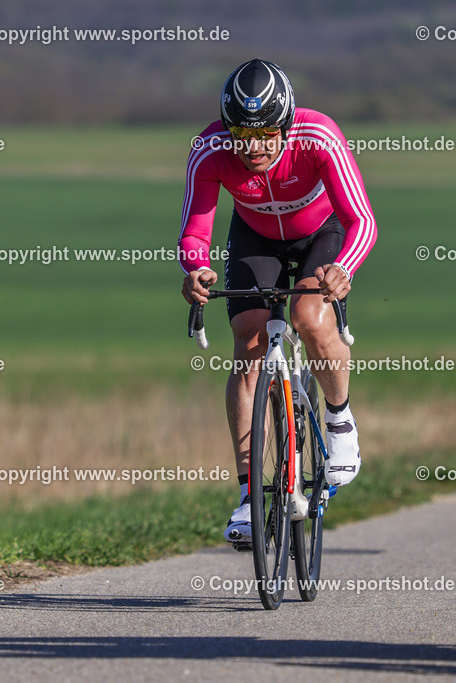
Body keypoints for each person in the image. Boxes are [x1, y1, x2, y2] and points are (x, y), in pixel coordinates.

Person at [178, 59, 377, 544]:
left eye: (267, 134)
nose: (254, 147)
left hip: (321, 234)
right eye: (243, 135)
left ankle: (339, 420)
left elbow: (362, 220)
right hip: (256, 237)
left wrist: (342, 270)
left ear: (286, 126)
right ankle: (250, 496)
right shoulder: (209, 150)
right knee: (248, 343)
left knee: (309, 315)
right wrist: (196, 270)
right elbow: (195, 230)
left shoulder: (319, 137)